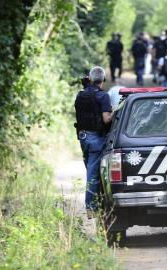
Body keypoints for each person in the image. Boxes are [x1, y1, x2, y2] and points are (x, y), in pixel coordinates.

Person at [74, 66, 112, 218]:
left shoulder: (81, 94)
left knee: (91, 170)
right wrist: (114, 112)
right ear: (103, 80)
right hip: (96, 138)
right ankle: (92, 208)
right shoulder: (103, 96)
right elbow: (106, 119)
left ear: (89, 79)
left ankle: (97, 201)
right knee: (93, 174)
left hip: (83, 137)